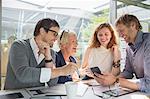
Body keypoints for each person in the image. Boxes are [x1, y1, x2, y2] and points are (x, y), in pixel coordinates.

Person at [4, 18, 77, 90]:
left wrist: (48, 58)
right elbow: (23, 74)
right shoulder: (19, 46)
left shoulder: (51, 52)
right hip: (14, 95)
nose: (56, 38)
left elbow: (52, 83)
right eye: (54, 34)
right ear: (42, 31)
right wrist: (61, 71)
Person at [94, 14, 150, 93]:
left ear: (133, 25)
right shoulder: (128, 48)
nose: (119, 35)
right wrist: (110, 78)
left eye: (121, 30)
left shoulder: (148, 43)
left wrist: (116, 80)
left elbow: (148, 84)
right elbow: (128, 72)